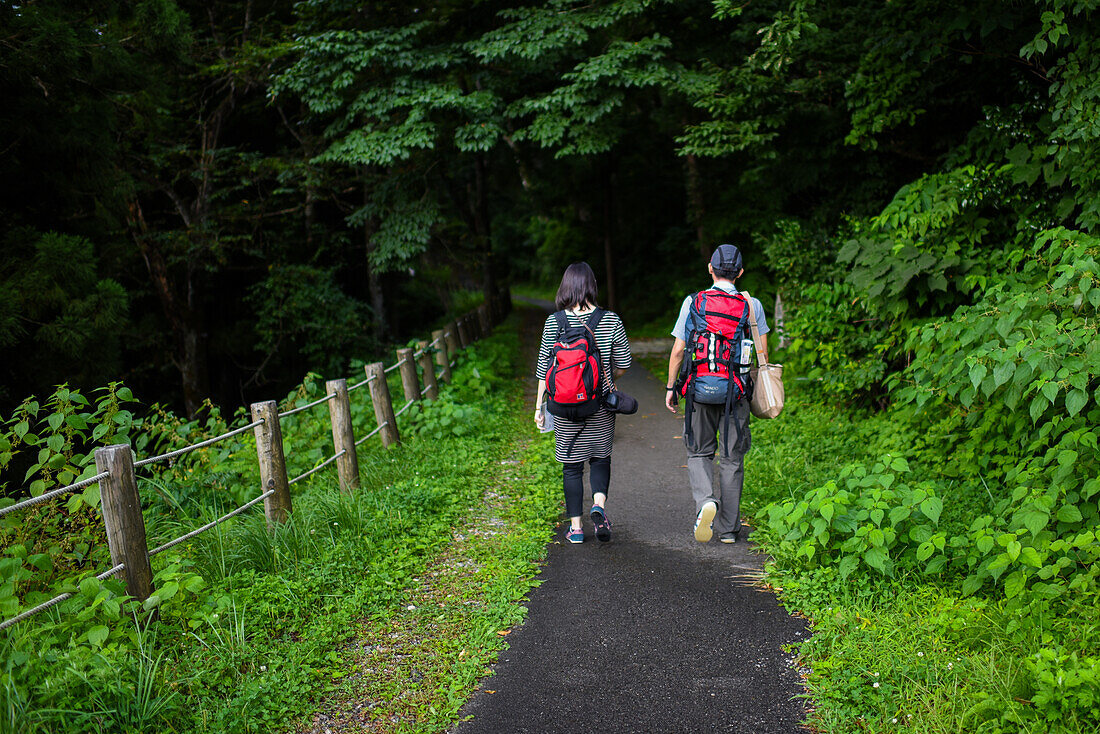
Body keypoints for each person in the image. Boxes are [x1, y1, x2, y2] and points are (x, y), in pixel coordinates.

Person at [664, 244, 769, 544]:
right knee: (732, 458)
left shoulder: (693, 302)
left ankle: (706, 501)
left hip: (699, 389)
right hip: (736, 392)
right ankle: (728, 530)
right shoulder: (753, 306)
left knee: (698, 452)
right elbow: (761, 352)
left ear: (710, 268)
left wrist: (672, 387)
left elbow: (679, 350)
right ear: (740, 273)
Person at [535, 262, 632, 544]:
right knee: (600, 457)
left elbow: (544, 368)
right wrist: (608, 377)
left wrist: (538, 406)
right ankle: (598, 505)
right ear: (592, 286)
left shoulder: (554, 321)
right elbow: (624, 363)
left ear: (565, 287)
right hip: (600, 405)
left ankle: (576, 529)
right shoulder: (611, 319)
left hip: (564, 407)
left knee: (572, 466)